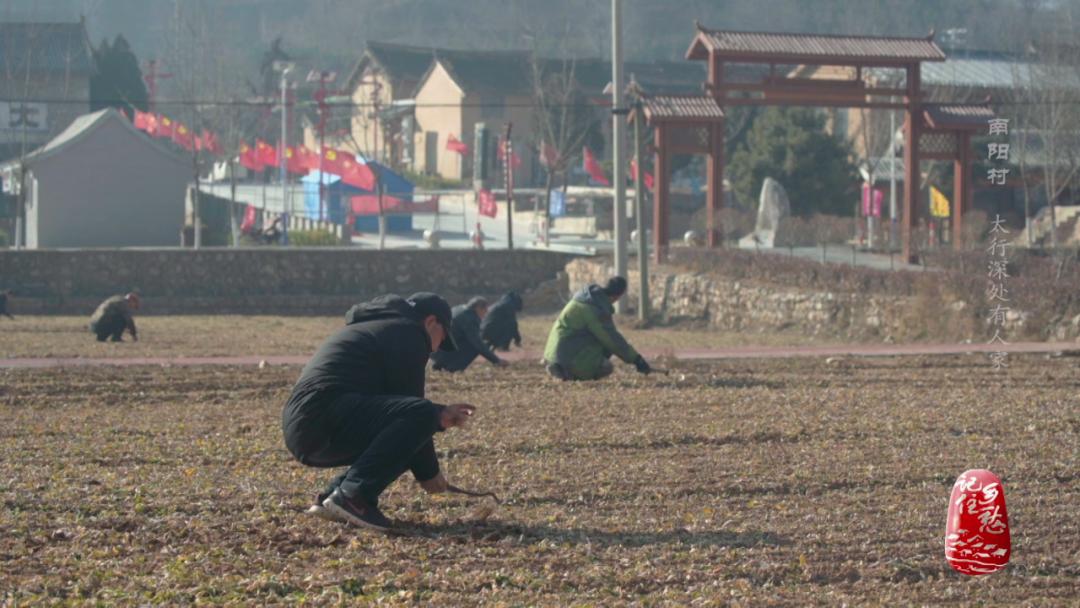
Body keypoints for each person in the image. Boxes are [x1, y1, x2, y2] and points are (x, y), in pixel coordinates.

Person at [281, 292, 477, 532]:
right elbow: (414, 408)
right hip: (324, 415)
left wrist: (439, 416)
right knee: (420, 415)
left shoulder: (378, 328)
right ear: (430, 322)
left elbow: (398, 415)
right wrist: (430, 474)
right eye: (442, 338)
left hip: (307, 424)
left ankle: (332, 497)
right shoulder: (408, 332)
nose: (436, 349)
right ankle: (353, 497)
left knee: (410, 431)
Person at [543, 276, 651, 381]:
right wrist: (637, 360)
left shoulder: (583, 300)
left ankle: (561, 368)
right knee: (606, 365)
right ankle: (569, 373)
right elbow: (612, 339)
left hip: (552, 355)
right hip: (565, 357)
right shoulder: (595, 309)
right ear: (619, 296)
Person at [430, 297, 508, 372]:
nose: (486, 313)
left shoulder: (459, 308)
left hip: (435, 351)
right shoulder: (470, 318)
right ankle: (454, 368)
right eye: (485, 310)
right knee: (476, 346)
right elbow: (477, 343)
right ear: (478, 308)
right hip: (443, 351)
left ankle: (439, 364)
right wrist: (496, 360)